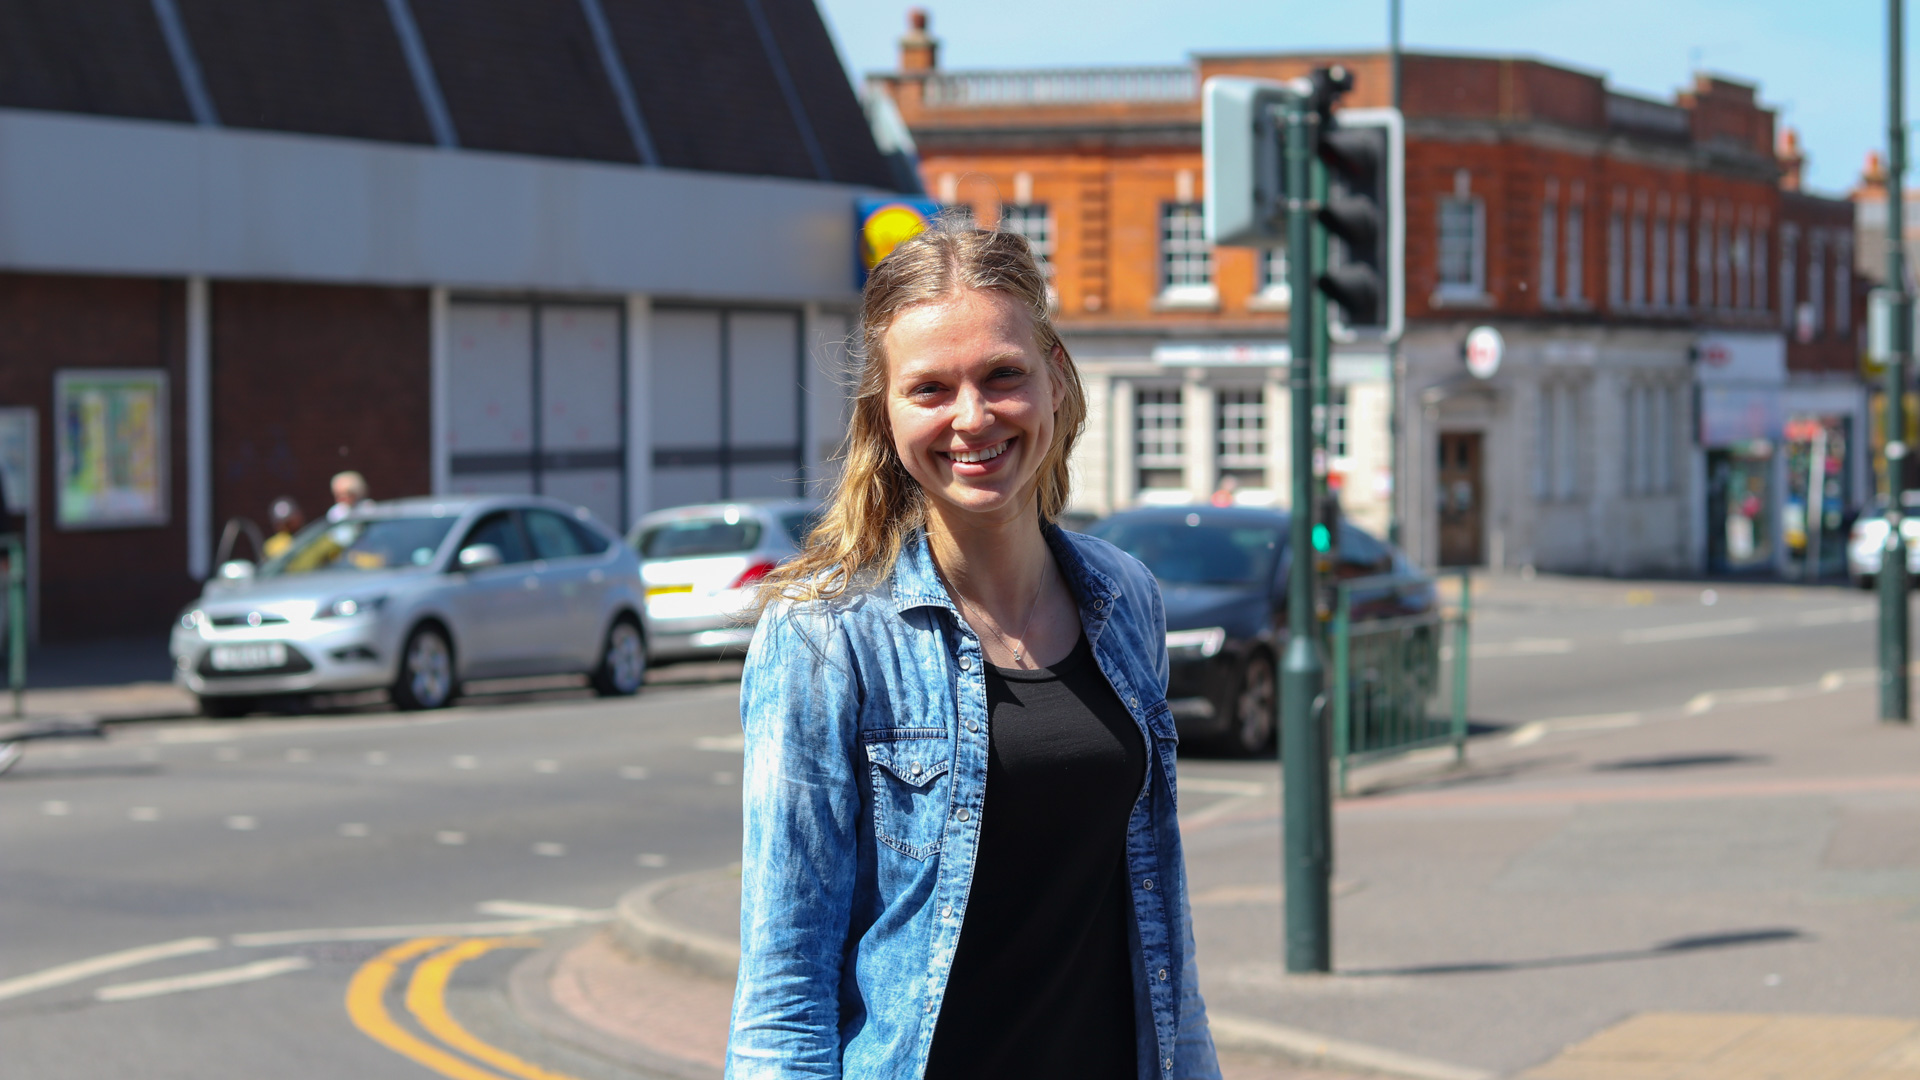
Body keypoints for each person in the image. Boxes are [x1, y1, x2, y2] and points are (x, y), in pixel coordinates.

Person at [728, 224, 1218, 1079]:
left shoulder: (1125, 597)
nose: (971, 418)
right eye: (930, 388)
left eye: (1002, 375)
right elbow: (784, 987)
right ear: (884, 412)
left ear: (1055, 376)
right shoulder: (825, 634)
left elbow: (1159, 926)